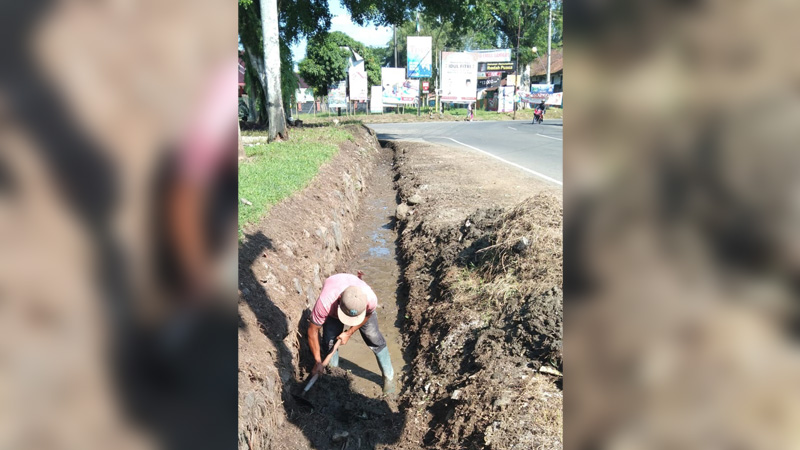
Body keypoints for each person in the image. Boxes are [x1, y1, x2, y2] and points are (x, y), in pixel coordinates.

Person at [307, 273, 395, 394]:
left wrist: (349, 332)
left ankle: (388, 377)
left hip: (358, 308)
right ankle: (333, 374)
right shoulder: (326, 302)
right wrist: (317, 361)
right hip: (334, 308)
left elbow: (368, 314)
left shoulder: (370, 299)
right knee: (329, 341)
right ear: (339, 301)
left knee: (373, 337)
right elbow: (313, 331)